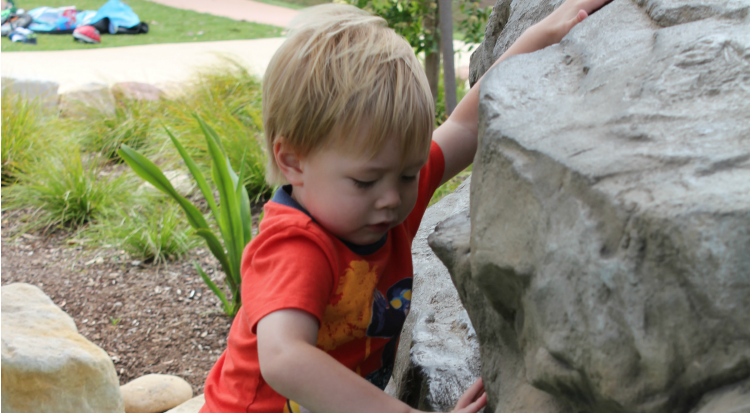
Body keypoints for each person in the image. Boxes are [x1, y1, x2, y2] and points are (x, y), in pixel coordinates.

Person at [200, 0, 608, 411]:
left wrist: (546, 32)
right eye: (364, 181)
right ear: (292, 161)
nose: (393, 198)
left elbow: (466, 125)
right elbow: (284, 359)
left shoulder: (381, 201)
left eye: (409, 174)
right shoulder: (294, 248)